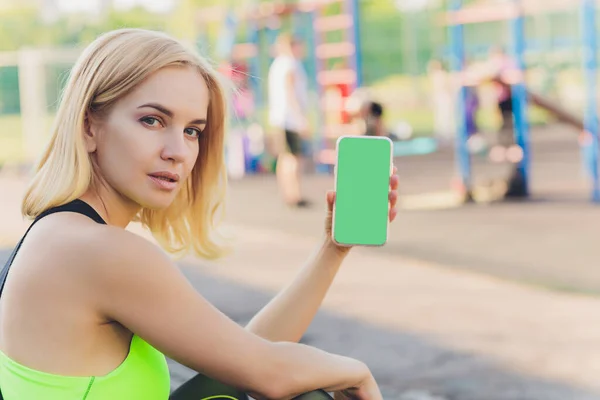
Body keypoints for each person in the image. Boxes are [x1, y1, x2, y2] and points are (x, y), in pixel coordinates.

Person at [0, 29, 399, 399]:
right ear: (88, 126)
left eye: (192, 130)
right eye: (152, 120)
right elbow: (267, 373)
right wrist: (356, 370)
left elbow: (245, 361)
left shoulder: (63, 234)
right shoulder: (97, 250)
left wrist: (333, 249)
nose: (178, 151)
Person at [268, 33, 311, 208]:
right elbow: (291, 92)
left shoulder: (277, 64)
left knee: (285, 157)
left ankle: (288, 193)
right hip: (291, 119)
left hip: (279, 118)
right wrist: (301, 118)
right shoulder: (290, 64)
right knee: (295, 158)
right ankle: (295, 194)